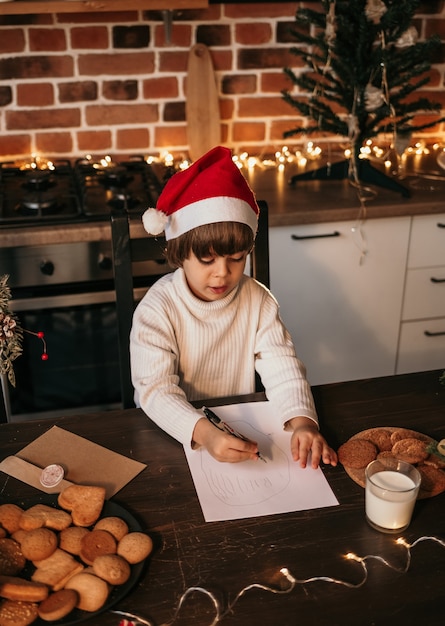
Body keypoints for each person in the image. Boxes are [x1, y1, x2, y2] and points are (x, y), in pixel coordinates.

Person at [130, 146, 337, 469]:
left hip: (240, 419)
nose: (223, 272)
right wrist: (205, 434)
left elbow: (283, 367)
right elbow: (155, 390)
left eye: (237, 258)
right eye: (207, 259)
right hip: (174, 432)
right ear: (179, 252)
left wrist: (303, 423)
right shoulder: (157, 309)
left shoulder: (258, 300)